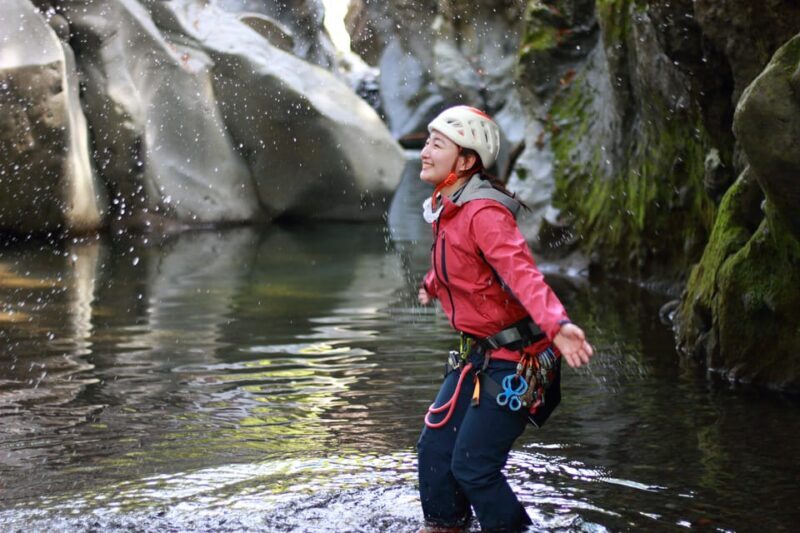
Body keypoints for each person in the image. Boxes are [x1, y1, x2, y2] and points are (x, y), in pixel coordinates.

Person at [415, 105, 594, 532]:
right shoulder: (449, 206)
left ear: (466, 160)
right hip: (477, 355)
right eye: (426, 141)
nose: (424, 151)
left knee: (474, 467)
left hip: (520, 360)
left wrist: (558, 324)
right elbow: (460, 263)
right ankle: (444, 527)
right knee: (435, 454)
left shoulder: (483, 213)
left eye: (436, 144)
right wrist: (432, 283)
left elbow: (522, 273)